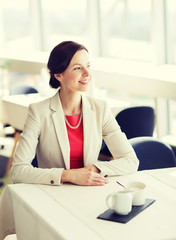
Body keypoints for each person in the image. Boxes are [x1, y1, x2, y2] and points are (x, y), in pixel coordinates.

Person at [11, 41, 139, 186]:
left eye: (88, 66)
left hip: (89, 189)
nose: (87, 74)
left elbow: (131, 161)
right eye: (78, 68)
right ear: (59, 75)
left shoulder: (100, 109)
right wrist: (70, 175)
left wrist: (94, 169)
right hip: (53, 192)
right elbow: (18, 171)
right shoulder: (38, 112)